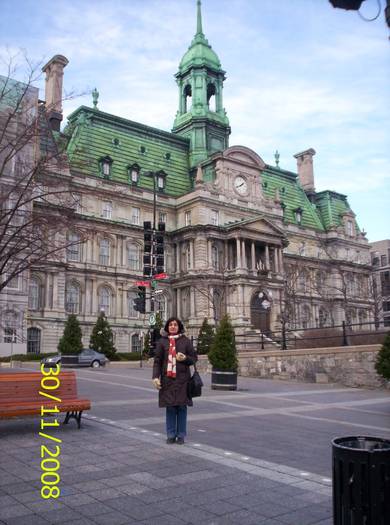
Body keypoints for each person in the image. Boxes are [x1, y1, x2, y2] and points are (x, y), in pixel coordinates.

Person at [152, 317, 197, 444]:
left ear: (179, 327)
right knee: (170, 407)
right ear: (167, 327)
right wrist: (155, 377)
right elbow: (157, 362)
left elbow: (194, 358)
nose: (173, 327)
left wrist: (185, 358)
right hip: (168, 379)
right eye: (170, 324)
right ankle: (171, 434)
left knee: (182, 407)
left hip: (183, 380)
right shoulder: (162, 342)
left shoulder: (186, 341)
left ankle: (181, 435)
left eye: (175, 325)